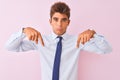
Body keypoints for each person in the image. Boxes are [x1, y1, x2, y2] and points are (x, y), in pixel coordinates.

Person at [5, 1, 112, 80]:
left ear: (68, 22)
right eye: (56, 19)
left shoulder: (78, 41)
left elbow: (106, 50)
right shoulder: (40, 40)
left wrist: (93, 33)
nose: (59, 24)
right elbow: (10, 47)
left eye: (63, 20)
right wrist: (24, 31)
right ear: (50, 21)